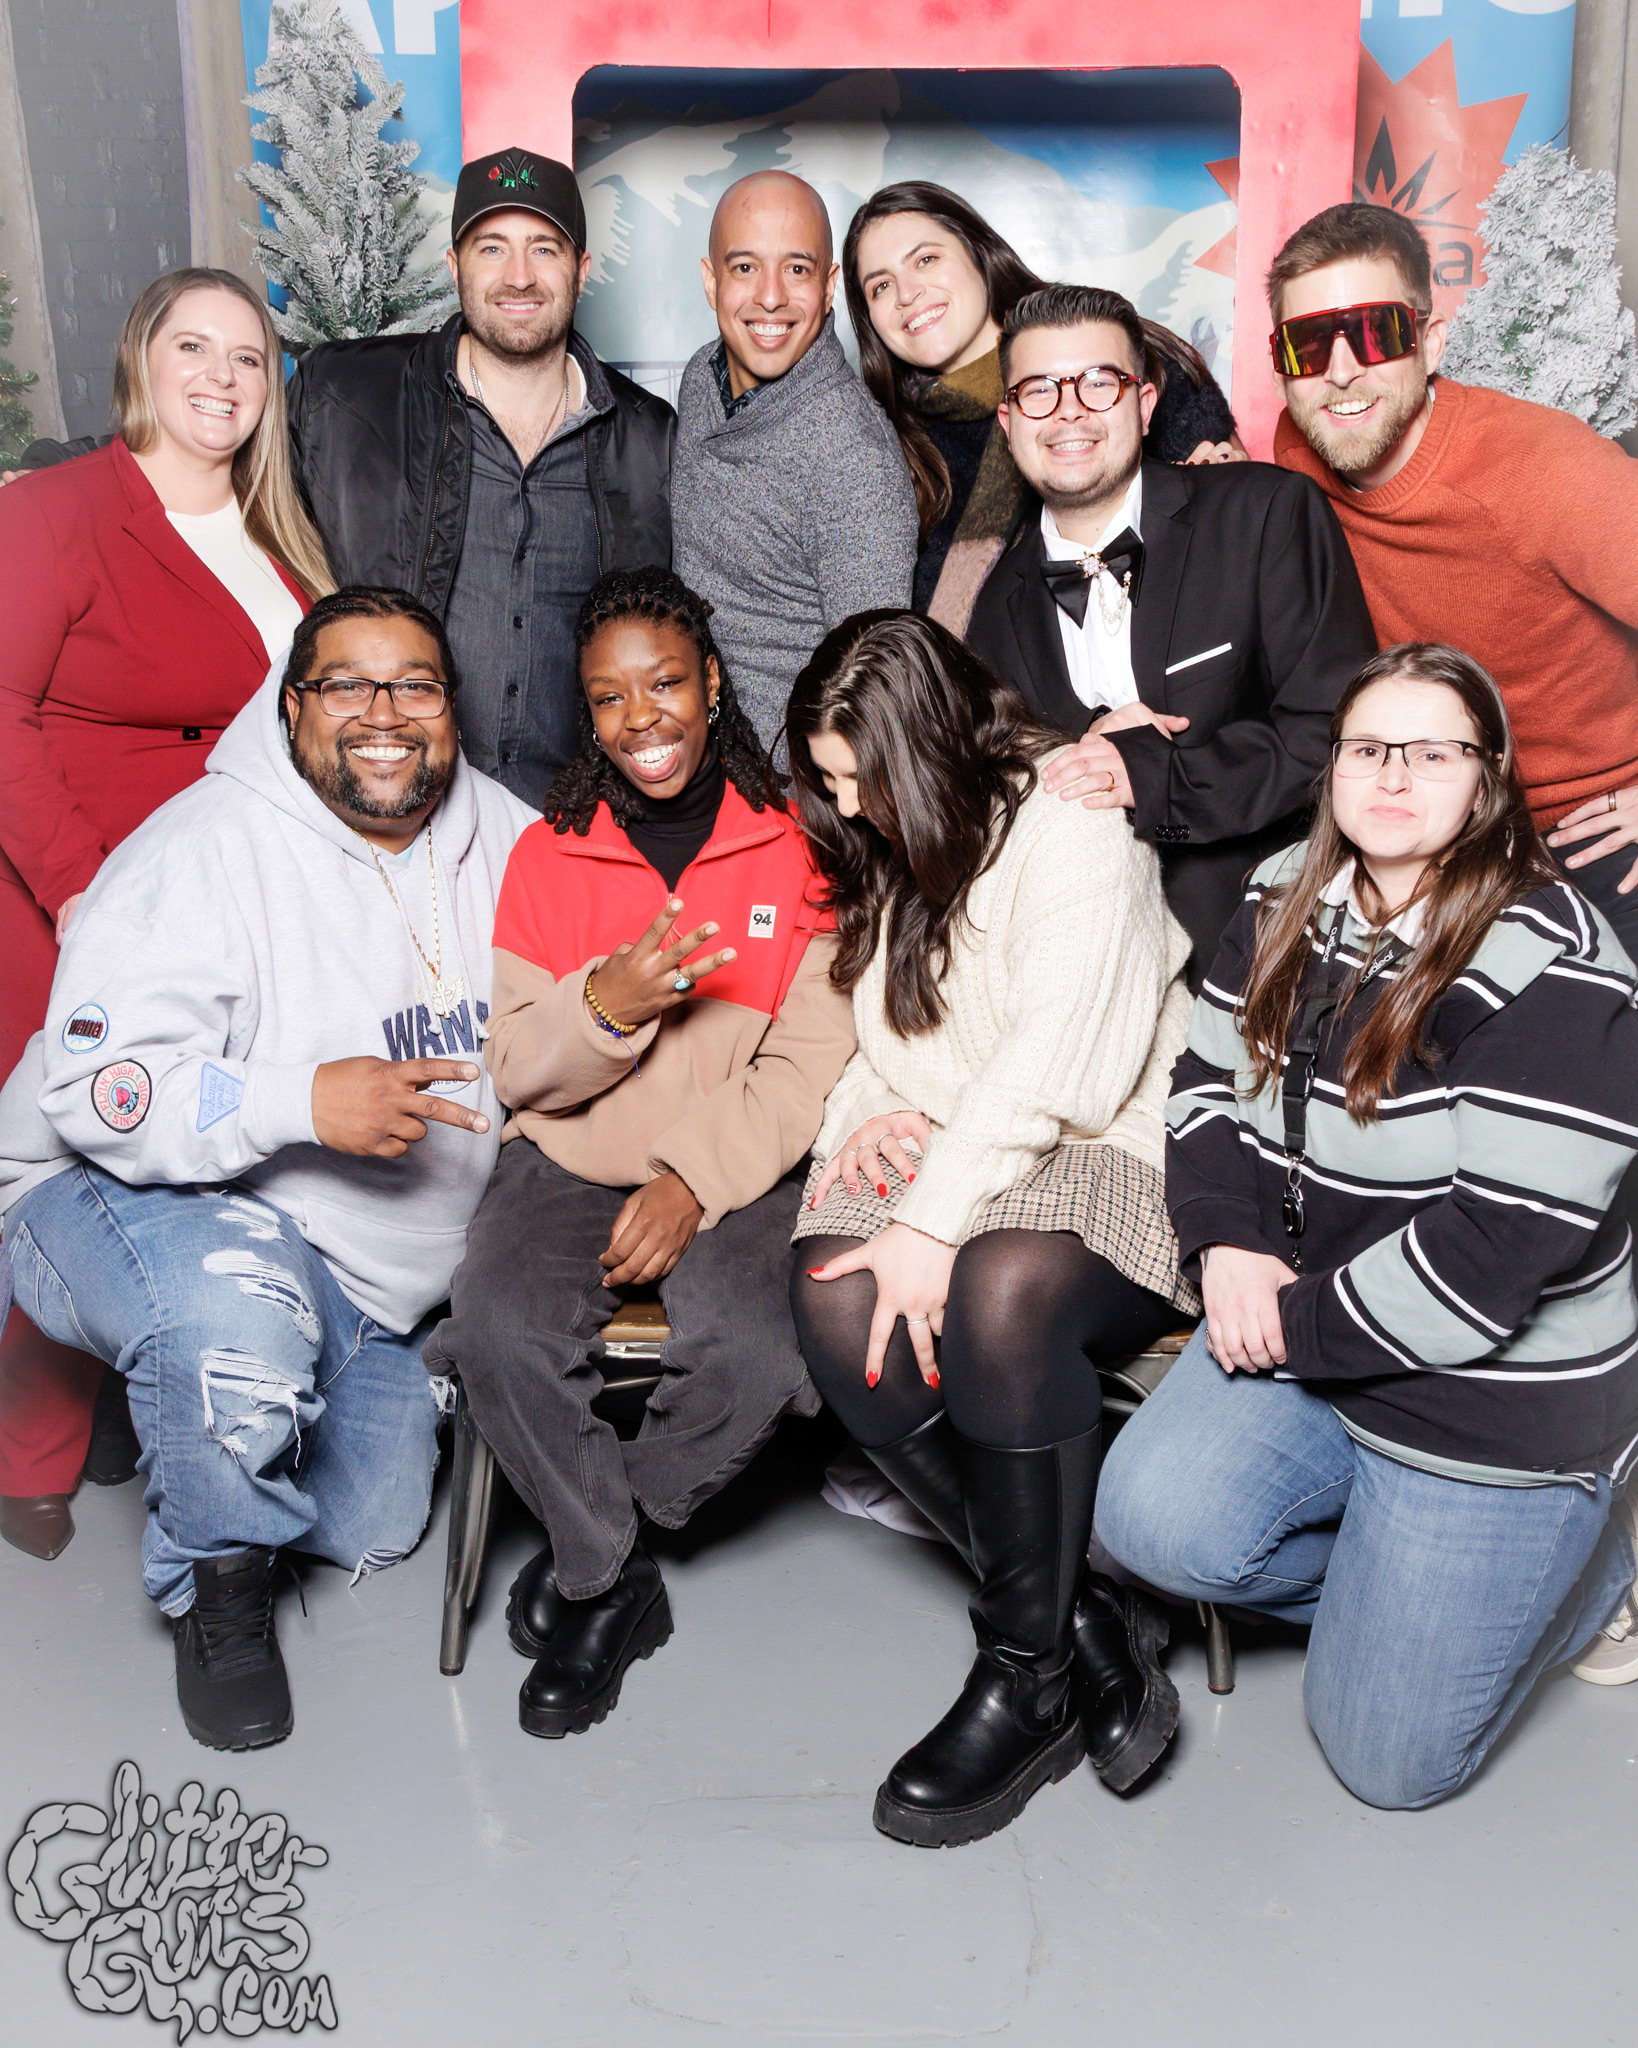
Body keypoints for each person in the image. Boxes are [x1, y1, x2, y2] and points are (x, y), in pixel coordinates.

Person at [1097, 644, 1638, 1806]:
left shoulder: (1556, 962)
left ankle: (1584, 1573)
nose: (1393, 774)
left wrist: (1281, 1323)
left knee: (1385, 1761)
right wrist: (1225, 1241)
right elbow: (1204, 1084)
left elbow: (1492, 1259)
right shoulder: (1284, 889)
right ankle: (1410, 1594)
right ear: (1332, 763)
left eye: (1433, 751)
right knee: (1145, 1523)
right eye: (1367, 747)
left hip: (1486, 1395)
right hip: (1319, 1322)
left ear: (1487, 778)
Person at [0, 588, 532, 1750]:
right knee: (232, 1320)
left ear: (452, 705)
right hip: (112, 1187)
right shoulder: (201, 848)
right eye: (346, 685)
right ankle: (220, 1596)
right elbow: (98, 1085)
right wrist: (303, 1100)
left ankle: (187, 1402)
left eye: (415, 684)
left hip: (355, 1262)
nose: (383, 713)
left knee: (371, 1522)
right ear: (292, 707)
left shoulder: (508, 835)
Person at [786, 611, 1198, 1849]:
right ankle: (1080, 1626)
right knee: (835, 1290)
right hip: (953, 1126)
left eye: (860, 776)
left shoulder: (1069, 822)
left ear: (925, 750)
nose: (847, 806)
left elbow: (1059, 1066)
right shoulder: (897, 834)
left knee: (998, 1291)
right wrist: (863, 1118)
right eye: (830, 780)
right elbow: (883, 1026)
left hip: (1101, 1131)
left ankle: (1022, 1673)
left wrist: (932, 1219)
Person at [425, 567, 856, 1740]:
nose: (640, 717)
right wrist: (604, 1007)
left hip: (742, 1161)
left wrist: (692, 1180)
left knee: (763, 1343)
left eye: (663, 682)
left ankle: (597, 1543)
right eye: (609, 697)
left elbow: (810, 1066)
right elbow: (518, 1068)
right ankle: (607, 1579)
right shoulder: (549, 854)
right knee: (496, 1325)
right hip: (568, 1154)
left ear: (710, 682)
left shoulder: (799, 847)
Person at [0, 266, 331, 1562]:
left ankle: (135, 1408)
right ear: (142, 359)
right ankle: (28, 1451)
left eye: (247, 358)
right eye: (194, 348)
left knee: (179, 1154)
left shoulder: (277, 531)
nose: (220, 378)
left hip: (214, 913)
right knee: (63, 1155)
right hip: (66, 896)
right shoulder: (58, 509)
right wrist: (75, 885)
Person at [965, 283, 1376, 987]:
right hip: (1080, 984)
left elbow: (1337, 736)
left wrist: (1150, 774)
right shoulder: (993, 610)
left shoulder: (1264, 515)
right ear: (1009, 421)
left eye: (1099, 383)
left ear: (1145, 403)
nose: (1069, 411)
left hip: (1272, 963)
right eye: (1039, 390)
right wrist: (1075, 756)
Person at [1267, 202, 1638, 955]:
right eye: (1308, 345)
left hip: (1594, 821)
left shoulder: (1548, 472)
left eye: (1374, 334)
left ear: (1431, 343)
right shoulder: (1301, 448)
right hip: (1440, 821)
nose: (1341, 371)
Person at [286, 147, 674, 807]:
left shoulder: (649, 438)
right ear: (454, 266)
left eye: (544, 249)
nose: (518, 277)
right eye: (492, 248)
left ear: (581, 271)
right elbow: (227, 502)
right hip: (395, 812)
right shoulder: (346, 399)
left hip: (569, 825)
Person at [843, 181, 1244, 628]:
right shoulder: (888, 445)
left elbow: (1228, 530)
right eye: (881, 286)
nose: (906, 294)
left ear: (978, 252)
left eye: (926, 260)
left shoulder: (1111, 358)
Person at [671, 170, 919, 748]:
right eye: (744, 267)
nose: (771, 296)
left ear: (829, 286)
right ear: (710, 281)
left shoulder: (856, 458)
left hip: (785, 779)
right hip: (693, 760)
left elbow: (873, 696)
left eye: (797, 269)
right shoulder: (701, 377)